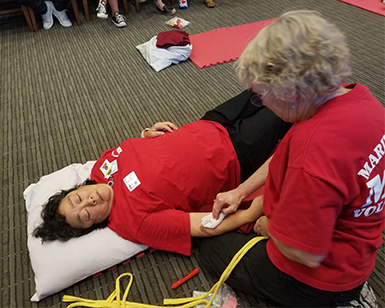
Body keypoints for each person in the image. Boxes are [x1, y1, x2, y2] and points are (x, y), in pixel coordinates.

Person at [200, 10, 385, 307]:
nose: (263, 104)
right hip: (358, 249)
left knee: (211, 248)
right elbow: (284, 154)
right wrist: (240, 191)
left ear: (290, 93)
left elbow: (303, 253)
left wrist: (264, 225)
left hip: (323, 278)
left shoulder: (313, 150)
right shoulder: (363, 101)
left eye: (261, 96)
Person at [33, 90, 292, 256]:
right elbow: (201, 226)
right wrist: (253, 210)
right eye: (87, 215)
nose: (89, 201)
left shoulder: (101, 168)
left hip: (209, 123)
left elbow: (135, 149)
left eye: (77, 199)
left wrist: (147, 134)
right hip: (235, 155)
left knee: (265, 83)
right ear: (95, 225)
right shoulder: (132, 222)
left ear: (75, 189)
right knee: (289, 102)